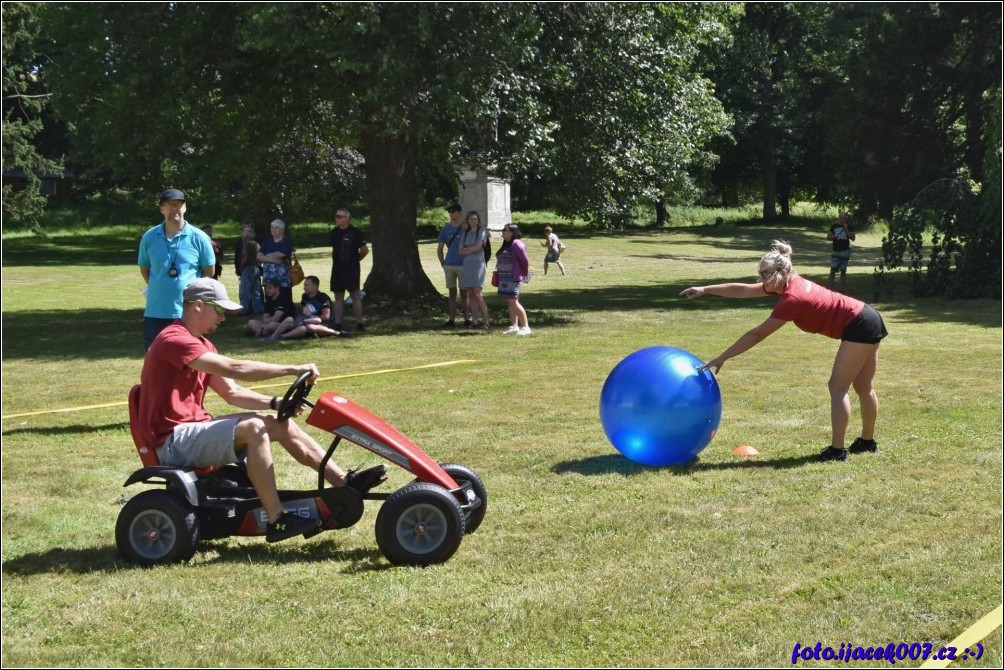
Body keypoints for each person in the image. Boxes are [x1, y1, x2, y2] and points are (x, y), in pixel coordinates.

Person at [137, 278, 387, 542]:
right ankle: (277, 519)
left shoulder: (202, 345)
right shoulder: (174, 340)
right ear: (198, 305)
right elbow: (236, 369)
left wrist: (275, 403)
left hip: (191, 431)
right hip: (171, 441)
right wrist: (292, 368)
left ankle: (343, 482)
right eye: (219, 310)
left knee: (278, 423)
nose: (223, 318)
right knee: (254, 429)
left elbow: (232, 393)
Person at [680, 240, 887, 462]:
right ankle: (867, 442)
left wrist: (723, 357)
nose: (762, 280)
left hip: (860, 324)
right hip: (867, 317)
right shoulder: (785, 284)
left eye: (767, 274)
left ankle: (838, 450)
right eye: (761, 274)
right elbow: (745, 290)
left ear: (785, 271)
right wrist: (705, 289)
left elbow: (757, 334)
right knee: (863, 386)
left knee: (838, 387)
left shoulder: (792, 298)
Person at [137, 188, 216, 349]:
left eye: (178, 205)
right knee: (155, 357)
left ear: (185, 207)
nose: (174, 209)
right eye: (169, 205)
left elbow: (209, 271)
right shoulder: (149, 237)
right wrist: (159, 287)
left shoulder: (199, 237)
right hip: (156, 311)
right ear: (161, 209)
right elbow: (145, 269)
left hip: (187, 313)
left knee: (190, 358)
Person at [329, 208, 369, 332]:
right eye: (336, 216)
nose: (337, 218)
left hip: (351, 270)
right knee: (338, 297)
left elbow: (364, 250)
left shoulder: (355, 232)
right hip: (337, 270)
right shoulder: (334, 232)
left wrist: (355, 261)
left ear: (347, 218)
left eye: (339, 216)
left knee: (355, 296)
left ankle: (360, 324)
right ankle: (338, 324)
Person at [275, 275, 350, 340]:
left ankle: (336, 333)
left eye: (307, 285)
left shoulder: (323, 298)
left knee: (310, 327)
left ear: (315, 286)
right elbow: (305, 311)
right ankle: (273, 336)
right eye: (304, 285)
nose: (304, 288)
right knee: (289, 321)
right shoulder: (305, 296)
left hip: (322, 323)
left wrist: (310, 320)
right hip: (306, 320)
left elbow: (326, 317)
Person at [437, 203, 471, 327]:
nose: (451, 214)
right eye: (450, 212)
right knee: (452, 292)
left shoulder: (466, 228)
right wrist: (443, 263)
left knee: (464, 293)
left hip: (463, 265)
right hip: (449, 265)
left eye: (453, 211)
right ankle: (452, 319)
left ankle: (467, 319)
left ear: (460, 213)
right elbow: (440, 248)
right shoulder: (446, 229)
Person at [457, 210, 491, 331]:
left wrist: (467, 250)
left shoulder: (481, 231)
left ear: (478, 220)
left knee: (477, 293)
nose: (473, 221)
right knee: (470, 294)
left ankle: (486, 320)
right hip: (467, 266)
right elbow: (459, 250)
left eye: (475, 219)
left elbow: (478, 247)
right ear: (468, 220)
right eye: (471, 219)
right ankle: (475, 320)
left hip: (478, 266)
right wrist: (469, 250)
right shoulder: (464, 233)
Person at [496, 223, 532, 335]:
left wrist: (525, 274)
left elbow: (525, 261)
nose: (502, 231)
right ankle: (514, 326)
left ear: (512, 232)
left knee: (513, 301)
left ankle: (526, 327)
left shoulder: (517, 243)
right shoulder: (506, 244)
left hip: (512, 277)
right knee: (509, 300)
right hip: (504, 277)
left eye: (504, 230)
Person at [258, 219, 295, 308]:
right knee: (269, 293)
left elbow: (281, 254)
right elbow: (258, 256)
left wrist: (266, 256)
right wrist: (274, 260)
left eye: (276, 228)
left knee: (284, 294)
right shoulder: (267, 240)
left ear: (282, 230)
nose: (273, 230)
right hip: (269, 275)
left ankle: (287, 312)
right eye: (272, 227)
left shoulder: (286, 240)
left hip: (283, 276)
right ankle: (270, 312)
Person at [236, 224, 264, 316]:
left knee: (245, 291)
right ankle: (258, 309)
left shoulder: (246, 245)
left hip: (247, 268)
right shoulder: (257, 244)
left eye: (243, 235)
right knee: (256, 290)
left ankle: (244, 309)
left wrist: (241, 267)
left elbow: (245, 257)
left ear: (247, 236)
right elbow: (260, 258)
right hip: (256, 268)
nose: (242, 237)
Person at [827, 212, 856, 293]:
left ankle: (842, 289)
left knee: (843, 271)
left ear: (846, 219)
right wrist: (833, 237)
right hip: (835, 251)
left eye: (844, 218)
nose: (842, 220)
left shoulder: (849, 227)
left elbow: (853, 238)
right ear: (838, 218)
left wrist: (846, 229)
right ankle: (830, 288)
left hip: (845, 252)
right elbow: (828, 237)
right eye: (840, 218)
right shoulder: (834, 226)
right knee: (832, 270)